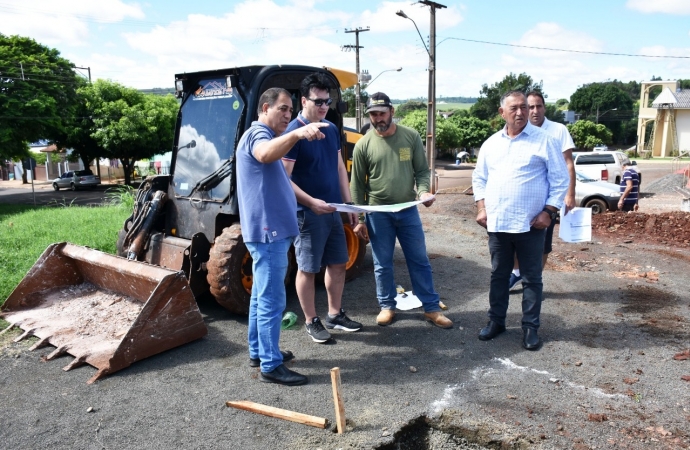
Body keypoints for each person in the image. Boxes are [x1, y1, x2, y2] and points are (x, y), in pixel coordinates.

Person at [236, 87, 328, 386]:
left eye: (290, 111)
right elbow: (263, 154)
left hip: (269, 231)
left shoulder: (267, 136)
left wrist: (311, 202)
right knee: (272, 300)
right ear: (265, 108)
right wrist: (298, 134)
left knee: (261, 296)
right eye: (283, 109)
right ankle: (270, 365)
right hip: (269, 232)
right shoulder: (258, 136)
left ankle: (259, 351)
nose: (288, 115)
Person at [472, 90, 568, 350]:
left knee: (532, 278)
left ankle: (530, 327)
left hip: (531, 224)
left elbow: (560, 180)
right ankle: (496, 321)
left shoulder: (544, 140)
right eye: (514, 108)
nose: (521, 112)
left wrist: (548, 211)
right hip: (499, 223)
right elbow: (479, 179)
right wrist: (481, 207)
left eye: (524, 107)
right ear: (502, 113)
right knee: (499, 275)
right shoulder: (491, 143)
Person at [350, 92, 453, 329]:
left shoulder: (410, 137)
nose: (378, 118)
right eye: (373, 114)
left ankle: (431, 308)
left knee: (419, 260)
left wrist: (424, 192)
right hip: (378, 213)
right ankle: (387, 306)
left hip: (407, 210)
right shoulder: (363, 144)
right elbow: (357, 184)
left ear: (392, 112)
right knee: (382, 263)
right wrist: (360, 218)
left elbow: (421, 171)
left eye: (382, 113)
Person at [282, 73, 362, 344]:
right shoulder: (294, 133)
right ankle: (310, 320)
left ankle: (335, 314)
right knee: (307, 268)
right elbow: (284, 178)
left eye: (327, 101)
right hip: (307, 213)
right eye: (318, 101)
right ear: (303, 100)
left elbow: (340, 167)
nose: (324, 106)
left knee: (338, 262)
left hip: (332, 209)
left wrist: (348, 204)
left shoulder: (329, 128)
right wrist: (311, 202)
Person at [509, 91, 577, 290]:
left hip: (548, 200)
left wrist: (570, 194)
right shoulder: (519, 130)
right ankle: (516, 273)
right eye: (530, 107)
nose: (534, 111)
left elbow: (568, 164)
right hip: (523, 200)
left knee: (543, 243)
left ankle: (534, 280)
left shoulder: (557, 130)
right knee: (516, 239)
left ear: (544, 108)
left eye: (538, 106)